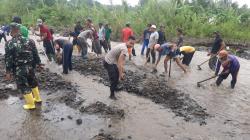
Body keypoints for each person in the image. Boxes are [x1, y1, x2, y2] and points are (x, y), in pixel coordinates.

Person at [5, 23, 43, 110]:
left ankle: (31, 104)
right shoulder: (30, 41)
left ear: (13, 30)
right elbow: (35, 54)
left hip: (19, 69)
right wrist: (39, 64)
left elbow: (8, 59)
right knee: (33, 82)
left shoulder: (9, 43)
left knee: (23, 85)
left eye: (11, 30)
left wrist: (8, 72)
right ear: (19, 30)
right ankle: (37, 99)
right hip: (30, 67)